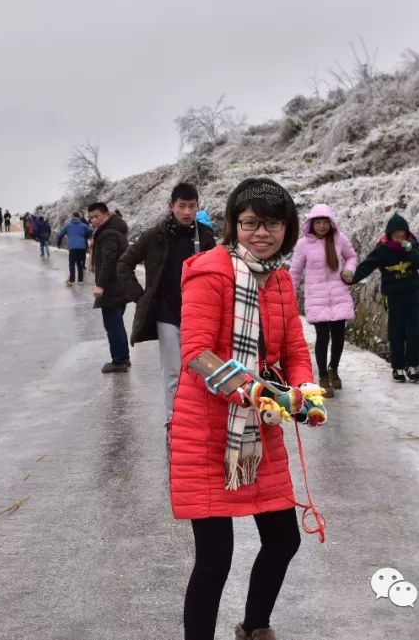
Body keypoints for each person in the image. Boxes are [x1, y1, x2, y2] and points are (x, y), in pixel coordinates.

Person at [170, 177, 314, 640]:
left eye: (273, 224)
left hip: (260, 429)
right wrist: (257, 392)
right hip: (208, 432)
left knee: (283, 539)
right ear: (233, 224)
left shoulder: (280, 279)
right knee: (215, 559)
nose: (261, 233)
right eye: (251, 222)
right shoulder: (210, 271)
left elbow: (293, 346)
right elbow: (196, 353)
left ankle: (255, 627)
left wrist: (305, 391)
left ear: (287, 230)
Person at [118, 182, 216, 426]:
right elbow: (124, 264)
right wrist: (140, 297)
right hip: (166, 315)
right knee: (173, 372)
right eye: (182, 206)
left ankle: (201, 419)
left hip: (199, 316)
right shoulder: (154, 235)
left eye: (192, 206)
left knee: (202, 370)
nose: (186, 212)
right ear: (171, 206)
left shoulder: (204, 236)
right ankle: (175, 420)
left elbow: (217, 273)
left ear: (197, 207)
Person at [348, 212, 419, 383]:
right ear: (389, 235)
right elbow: (367, 266)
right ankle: (398, 366)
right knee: (397, 332)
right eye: (396, 235)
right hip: (393, 296)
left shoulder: (412, 245)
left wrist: (411, 250)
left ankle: (412, 364)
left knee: (416, 334)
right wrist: (351, 278)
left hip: (413, 294)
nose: (400, 239)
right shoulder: (383, 250)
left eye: (403, 235)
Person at [289, 204, 359, 397]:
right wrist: (288, 294)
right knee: (322, 338)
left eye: (325, 222)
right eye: (318, 222)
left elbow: (351, 257)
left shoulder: (339, 239)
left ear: (331, 223)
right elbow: (295, 272)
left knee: (338, 337)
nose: (321, 226)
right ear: (311, 224)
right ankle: (323, 377)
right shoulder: (303, 244)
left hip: (338, 295)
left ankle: (334, 369)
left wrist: (349, 270)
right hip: (317, 298)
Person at [89, 202, 131, 373]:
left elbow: (108, 260)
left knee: (113, 325)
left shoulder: (108, 234)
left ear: (106, 215)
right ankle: (123, 358)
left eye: (97, 216)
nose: (94, 221)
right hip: (118, 285)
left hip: (112, 287)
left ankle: (119, 360)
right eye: (91, 217)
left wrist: (100, 285)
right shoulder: (114, 231)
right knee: (116, 323)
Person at [56, 212, 94, 286]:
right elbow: (91, 230)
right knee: (80, 263)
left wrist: (58, 243)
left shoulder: (68, 226)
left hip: (72, 247)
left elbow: (61, 235)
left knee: (72, 263)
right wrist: (86, 236)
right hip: (82, 247)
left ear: (72, 217)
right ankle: (80, 280)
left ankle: (72, 280)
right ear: (79, 218)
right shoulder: (83, 225)